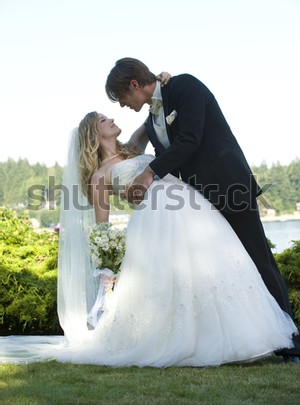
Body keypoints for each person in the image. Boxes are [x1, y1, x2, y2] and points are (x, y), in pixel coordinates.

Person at [105, 57, 300, 364]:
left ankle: (291, 343)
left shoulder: (184, 86)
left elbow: (190, 139)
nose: (123, 106)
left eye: (122, 98)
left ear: (134, 85)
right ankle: (243, 338)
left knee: (258, 260)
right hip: (198, 202)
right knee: (230, 269)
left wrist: (148, 174)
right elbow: (167, 155)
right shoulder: (153, 119)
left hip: (229, 187)